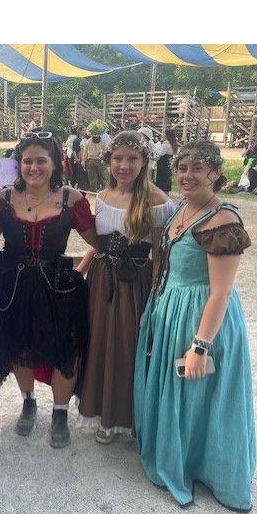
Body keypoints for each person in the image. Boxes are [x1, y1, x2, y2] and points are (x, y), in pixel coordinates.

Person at [134, 140, 256, 512]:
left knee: (200, 393)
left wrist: (200, 345)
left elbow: (221, 292)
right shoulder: (182, 209)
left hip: (201, 321)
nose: (187, 176)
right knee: (184, 393)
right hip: (170, 314)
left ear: (216, 173)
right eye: (182, 168)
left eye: (198, 169)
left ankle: (212, 469)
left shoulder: (223, 220)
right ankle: (181, 457)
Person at [0, 131, 97, 448]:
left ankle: (60, 413)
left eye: (41, 161)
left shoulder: (71, 199)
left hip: (57, 286)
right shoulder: (3, 199)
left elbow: (97, 242)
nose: (33, 167)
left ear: (54, 163)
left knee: (66, 349)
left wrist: (81, 269)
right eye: (27, 161)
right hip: (13, 285)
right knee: (20, 346)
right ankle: (28, 401)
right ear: (19, 164)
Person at [75, 131, 174, 443]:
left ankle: (125, 417)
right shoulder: (103, 196)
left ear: (145, 161)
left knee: (126, 348)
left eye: (132, 158)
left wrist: (155, 299)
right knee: (99, 344)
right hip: (101, 280)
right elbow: (99, 244)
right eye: (118, 158)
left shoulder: (157, 201)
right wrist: (80, 271)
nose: (124, 165)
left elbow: (159, 258)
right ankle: (103, 414)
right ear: (108, 160)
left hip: (134, 284)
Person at [81, 121, 108, 191]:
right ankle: (104, 193)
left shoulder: (88, 142)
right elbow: (105, 152)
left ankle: (93, 194)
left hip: (91, 162)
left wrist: (84, 162)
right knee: (104, 179)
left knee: (93, 180)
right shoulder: (103, 141)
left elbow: (85, 154)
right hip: (100, 161)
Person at [155, 128, 178, 193]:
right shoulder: (173, 143)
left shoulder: (166, 143)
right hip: (168, 161)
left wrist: (155, 150)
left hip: (163, 162)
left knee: (161, 177)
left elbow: (161, 153)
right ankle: (166, 192)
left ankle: (161, 192)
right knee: (167, 177)